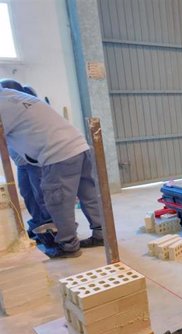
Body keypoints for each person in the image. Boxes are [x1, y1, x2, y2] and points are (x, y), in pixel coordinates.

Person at [0, 83, 104, 259]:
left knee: (58, 201)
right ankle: (101, 234)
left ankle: (68, 245)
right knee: (89, 195)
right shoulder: (14, 95)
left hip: (58, 154)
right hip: (79, 147)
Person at [0, 79, 53, 244]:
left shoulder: (22, 106)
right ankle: (38, 224)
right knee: (27, 194)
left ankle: (51, 228)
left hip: (33, 159)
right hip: (21, 162)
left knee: (41, 195)